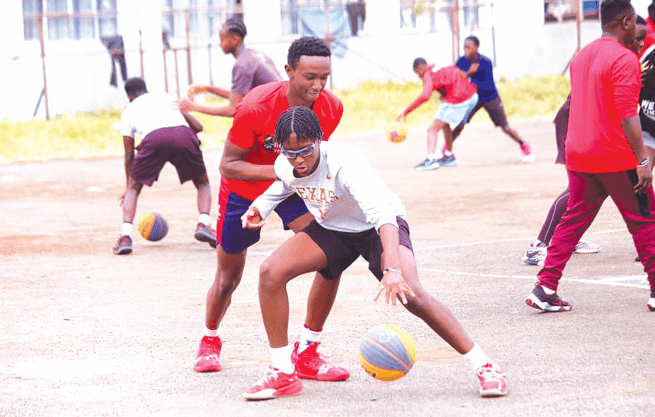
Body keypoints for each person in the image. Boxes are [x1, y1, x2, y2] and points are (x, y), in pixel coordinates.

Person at [241, 106, 508, 400]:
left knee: (413, 294)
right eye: (290, 153)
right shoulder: (286, 163)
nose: (299, 160)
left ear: (319, 139)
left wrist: (392, 270)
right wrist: (260, 207)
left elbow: (382, 215)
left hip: (378, 226)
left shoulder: (345, 162)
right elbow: (285, 183)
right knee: (270, 273)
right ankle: (284, 371)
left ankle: (485, 366)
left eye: (305, 150)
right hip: (334, 227)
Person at [193, 37, 350, 382]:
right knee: (228, 276)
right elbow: (229, 166)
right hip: (245, 191)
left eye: (324, 77)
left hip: (294, 189)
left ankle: (307, 351)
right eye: (310, 77)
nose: (318, 85)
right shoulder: (255, 106)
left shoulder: (330, 107)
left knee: (331, 254)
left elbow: (313, 159)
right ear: (289, 71)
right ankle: (210, 339)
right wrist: (286, 170)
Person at [525, 0, 655, 313]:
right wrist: (642, 161)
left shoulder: (582, 55)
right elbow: (627, 114)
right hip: (615, 156)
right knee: (646, 221)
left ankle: (545, 287)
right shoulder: (625, 58)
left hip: (580, 154)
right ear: (625, 22)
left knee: (572, 221)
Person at [113, 77, 217, 255]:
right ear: (146, 89)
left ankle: (125, 237)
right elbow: (198, 126)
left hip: (154, 139)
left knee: (134, 188)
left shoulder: (129, 110)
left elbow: (129, 154)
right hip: (182, 135)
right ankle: (204, 223)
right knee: (202, 183)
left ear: (129, 96)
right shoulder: (167, 98)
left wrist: (128, 184)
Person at [176, 18, 282, 118]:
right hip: (281, 110)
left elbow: (233, 110)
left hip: (276, 115)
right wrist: (209, 89)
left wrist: (193, 107)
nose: (220, 44)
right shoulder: (252, 55)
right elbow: (239, 96)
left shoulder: (242, 64)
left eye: (222, 40)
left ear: (235, 39)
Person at [452, 35, 534, 163]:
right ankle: (446, 151)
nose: (466, 50)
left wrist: (467, 76)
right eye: (464, 47)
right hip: (473, 98)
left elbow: (485, 85)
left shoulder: (485, 62)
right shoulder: (462, 61)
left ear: (476, 48)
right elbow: (456, 76)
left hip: (490, 97)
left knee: (505, 127)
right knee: (460, 124)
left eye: (469, 47)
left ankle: (523, 145)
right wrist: (467, 74)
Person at [396, 59, 479, 171]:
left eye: (417, 73)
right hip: (472, 95)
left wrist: (405, 112)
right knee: (445, 124)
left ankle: (430, 160)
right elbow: (453, 73)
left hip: (458, 98)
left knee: (432, 129)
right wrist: (445, 92)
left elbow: (425, 96)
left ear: (420, 68)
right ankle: (448, 156)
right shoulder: (438, 66)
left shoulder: (427, 74)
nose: (419, 76)